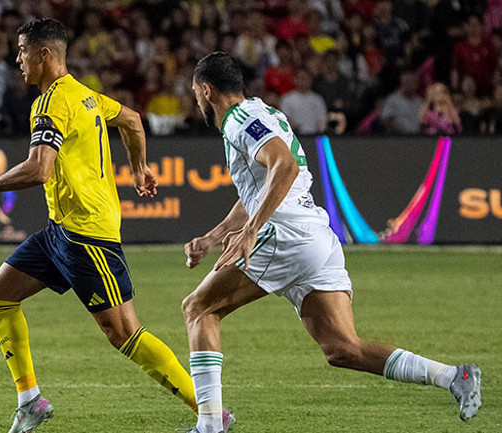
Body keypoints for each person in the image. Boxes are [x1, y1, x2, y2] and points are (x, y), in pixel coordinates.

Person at [0, 19, 233, 433]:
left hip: (88, 237)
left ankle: (210, 411)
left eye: (22, 51)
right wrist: (139, 168)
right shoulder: (84, 95)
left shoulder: (52, 104)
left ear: (44, 54)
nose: (18, 59)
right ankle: (30, 401)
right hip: (60, 231)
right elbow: (132, 119)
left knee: (124, 334)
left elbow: (39, 169)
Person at [181, 51, 482, 433]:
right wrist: (214, 236)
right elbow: (260, 188)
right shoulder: (262, 113)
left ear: (207, 90)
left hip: (284, 235)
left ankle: (209, 426)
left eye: (195, 93)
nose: (196, 100)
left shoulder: (240, 120)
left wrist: (253, 229)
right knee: (343, 349)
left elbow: (285, 167)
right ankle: (454, 376)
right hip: (315, 239)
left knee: (199, 309)